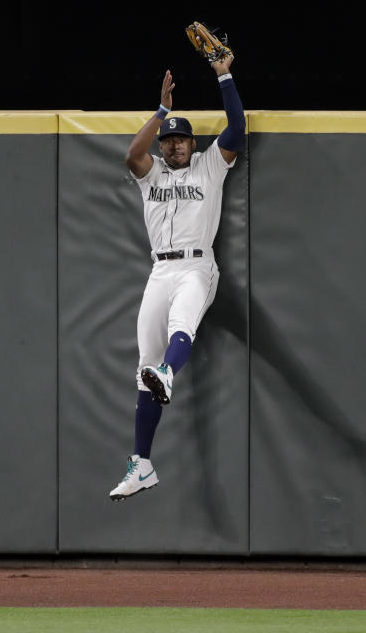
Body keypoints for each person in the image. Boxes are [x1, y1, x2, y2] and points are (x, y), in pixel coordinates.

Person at [109, 53, 245, 501]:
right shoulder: (152, 176)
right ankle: (142, 464)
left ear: (192, 142)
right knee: (143, 369)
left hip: (196, 266)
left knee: (180, 325)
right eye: (168, 141)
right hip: (160, 268)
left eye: (181, 140)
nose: (174, 146)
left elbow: (237, 129)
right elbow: (133, 154)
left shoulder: (210, 164)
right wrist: (161, 111)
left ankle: (169, 370)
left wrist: (223, 75)